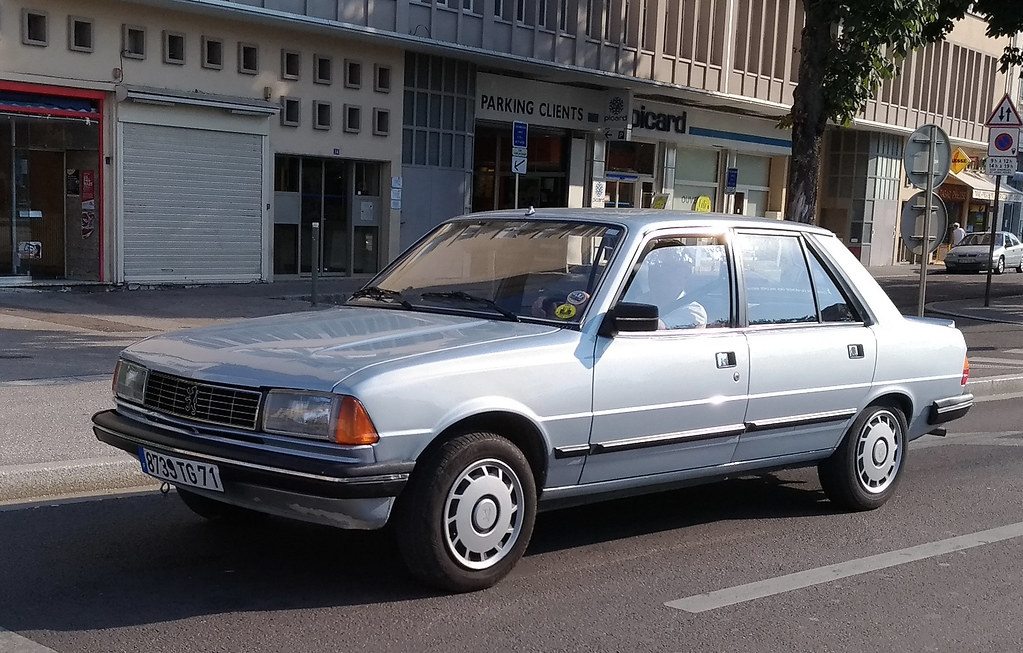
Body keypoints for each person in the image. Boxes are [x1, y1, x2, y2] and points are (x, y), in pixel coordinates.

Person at [624, 246, 707, 329]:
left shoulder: (693, 312)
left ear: (686, 273)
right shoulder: (642, 300)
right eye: (654, 266)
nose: (658, 273)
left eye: (668, 267)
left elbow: (660, 328)